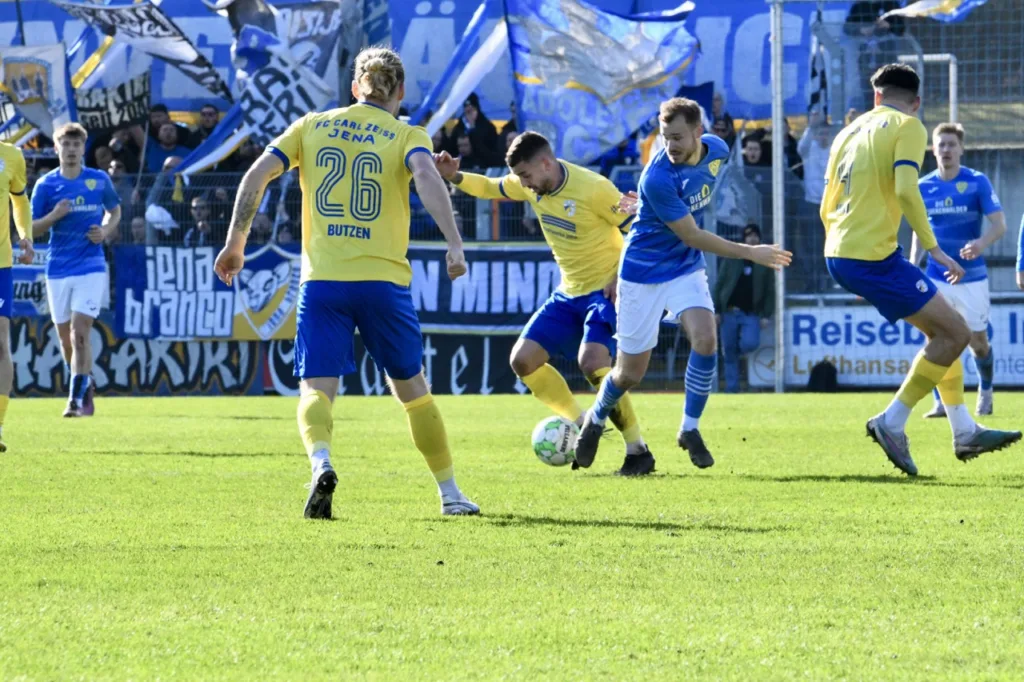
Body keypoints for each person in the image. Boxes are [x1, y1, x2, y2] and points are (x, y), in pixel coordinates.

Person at [213, 46, 479, 520]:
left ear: (355, 86)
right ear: (398, 91)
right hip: (382, 283)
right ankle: (451, 494)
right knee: (412, 390)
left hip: (324, 283)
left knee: (316, 387)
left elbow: (257, 172)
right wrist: (453, 241)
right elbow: (423, 173)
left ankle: (321, 463)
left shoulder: (312, 125)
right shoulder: (406, 133)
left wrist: (236, 242)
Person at [820, 64, 1019, 476]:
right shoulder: (908, 126)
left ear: (876, 96)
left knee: (945, 330)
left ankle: (963, 429)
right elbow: (907, 189)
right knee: (957, 333)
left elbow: (828, 199)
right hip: (872, 255)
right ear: (916, 102)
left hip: (840, 250)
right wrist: (934, 250)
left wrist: (844, 255)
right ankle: (892, 423)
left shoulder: (848, 131)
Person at [573, 98, 791, 471]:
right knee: (629, 373)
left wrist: (642, 205)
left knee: (706, 338)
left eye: (676, 137)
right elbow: (691, 234)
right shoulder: (657, 178)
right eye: (663, 137)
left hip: (684, 269)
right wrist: (749, 252)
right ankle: (594, 420)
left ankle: (689, 429)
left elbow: (700, 202)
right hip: (642, 274)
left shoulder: (718, 151)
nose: (669, 146)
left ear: (698, 133)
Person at [435, 131, 655, 476]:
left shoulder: (595, 187)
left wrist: (620, 276)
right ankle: (584, 425)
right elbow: (492, 188)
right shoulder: (530, 183)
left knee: (592, 362)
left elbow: (641, 226)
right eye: (520, 177)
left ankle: (637, 451)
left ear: (546, 163)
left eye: (526, 176)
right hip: (569, 292)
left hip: (607, 290)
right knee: (523, 361)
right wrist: (454, 176)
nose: (524, 184)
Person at [910, 123, 1006, 419]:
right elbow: (918, 231)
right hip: (936, 276)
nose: (947, 150)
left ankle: (986, 390)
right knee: (936, 339)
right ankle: (941, 402)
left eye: (952, 144)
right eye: (941, 145)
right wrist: (914, 266)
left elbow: (999, 226)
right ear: (934, 150)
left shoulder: (977, 182)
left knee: (978, 342)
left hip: (971, 276)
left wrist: (979, 244)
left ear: (961, 149)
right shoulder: (923, 186)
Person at [31, 123, 121, 417]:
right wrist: (55, 215)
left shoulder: (98, 180)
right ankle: (86, 384)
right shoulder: (45, 185)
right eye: (65, 145)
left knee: (79, 333)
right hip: (57, 268)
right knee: (66, 341)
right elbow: (30, 228)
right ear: (56, 148)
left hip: (91, 266)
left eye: (76, 145)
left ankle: (74, 401)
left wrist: (106, 230)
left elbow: (115, 209)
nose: (71, 150)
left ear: (83, 148)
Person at [0, 142, 36, 449]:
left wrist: (26, 237)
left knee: (0, 343)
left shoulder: (11, 155)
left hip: (0, 264)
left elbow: (20, 201)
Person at [714, 224, 775, 393]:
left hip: (751, 313)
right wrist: (717, 310)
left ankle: (736, 354)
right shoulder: (732, 259)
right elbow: (720, 285)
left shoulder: (765, 262)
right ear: (744, 239)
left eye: (755, 235)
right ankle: (732, 389)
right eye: (749, 236)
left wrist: (766, 314)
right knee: (728, 353)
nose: (752, 239)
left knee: (750, 343)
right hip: (729, 312)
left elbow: (770, 290)